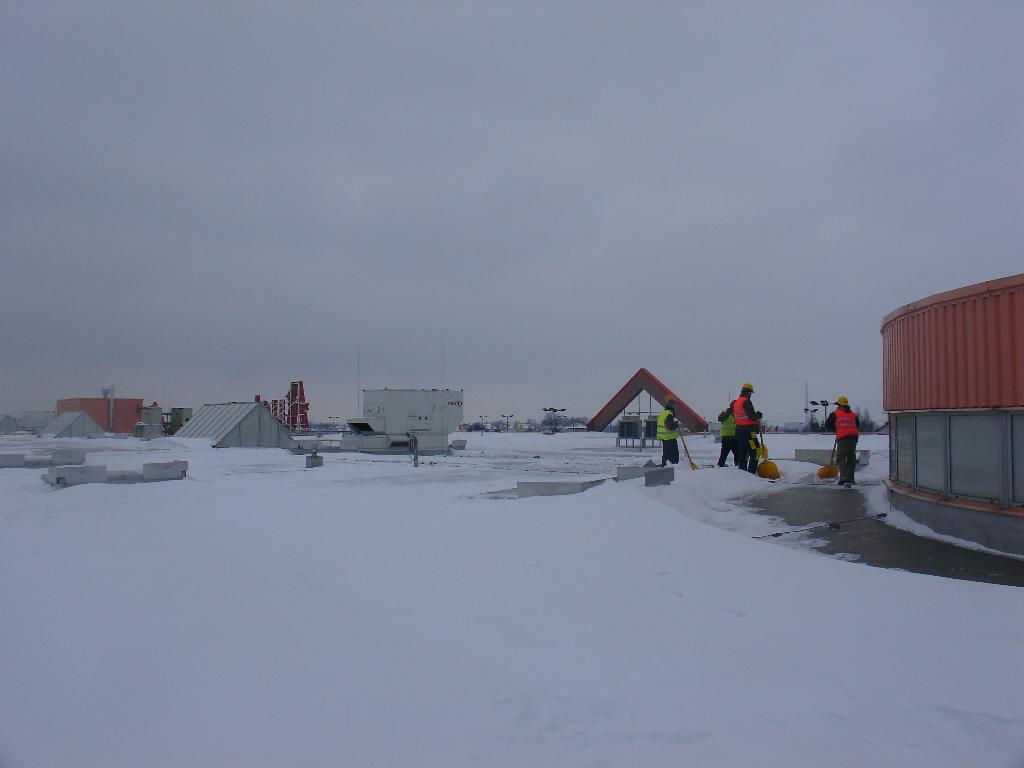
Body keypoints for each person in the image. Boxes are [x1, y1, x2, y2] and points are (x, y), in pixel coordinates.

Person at [825, 396, 860, 485]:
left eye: (838, 405)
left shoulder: (835, 414)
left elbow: (827, 425)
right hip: (853, 438)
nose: (837, 406)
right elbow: (857, 425)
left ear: (840, 405)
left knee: (841, 458)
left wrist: (836, 429)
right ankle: (851, 478)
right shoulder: (853, 414)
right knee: (851, 459)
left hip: (843, 438)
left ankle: (844, 477)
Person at [732, 383, 763, 473]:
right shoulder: (746, 401)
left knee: (743, 453)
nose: (751, 395)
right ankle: (751, 473)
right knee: (755, 452)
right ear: (748, 392)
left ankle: (743, 473)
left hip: (739, 432)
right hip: (749, 432)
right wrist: (758, 415)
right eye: (751, 393)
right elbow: (752, 416)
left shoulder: (737, 402)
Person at [656, 396, 681, 467]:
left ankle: (665, 466)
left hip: (665, 438)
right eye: (673, 403)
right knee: (673, 456)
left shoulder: (663, 414)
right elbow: (670, 427)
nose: (673, 405)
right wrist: (676, 425)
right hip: (670, 438)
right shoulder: (669, 414)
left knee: (666, 454)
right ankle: (674, 468)